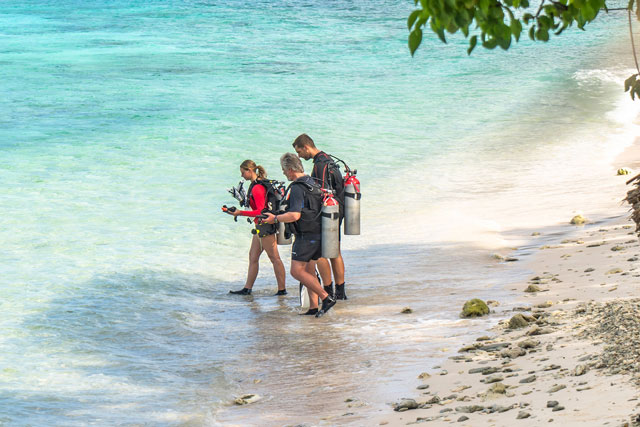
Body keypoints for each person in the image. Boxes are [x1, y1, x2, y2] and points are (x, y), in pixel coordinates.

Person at [262, 153, 336, 317]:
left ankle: (326, 297)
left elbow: (295, 215)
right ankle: (313, 308)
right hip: (319, 233)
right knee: (309, 270)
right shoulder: (312, 182)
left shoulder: (297, 187)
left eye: (283, 170)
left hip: (305, 236)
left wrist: (274, 218)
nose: (283, 174)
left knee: (296, 271)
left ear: (290, 169)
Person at [292, 134, 347, 300]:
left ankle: (328, 291)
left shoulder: (320, 165)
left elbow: (321, 192)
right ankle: (340, 292)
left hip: (328, 212)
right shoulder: (327, 159)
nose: (300, 156)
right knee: (335, 252)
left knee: (322, 253)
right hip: (338, 208)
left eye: (299, 151)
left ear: (306, 147)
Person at [225, 160, 287, 296]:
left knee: (274, 258)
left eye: (243, 173)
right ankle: (247, 288)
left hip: (265, 225)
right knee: (253, 257)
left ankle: (282, 290)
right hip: (259, 227)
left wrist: (240, 213)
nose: (242, 176)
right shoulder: (255, 185)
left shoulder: (257, 188)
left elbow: (260, 211)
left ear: (249, 171)